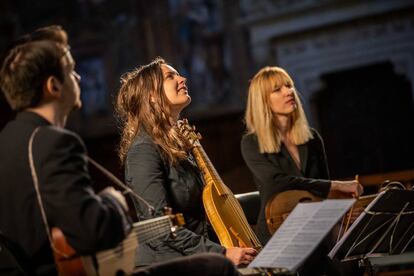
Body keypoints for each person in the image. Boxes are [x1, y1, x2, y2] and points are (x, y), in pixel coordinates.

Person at [0, 26, 238, 276]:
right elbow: (91, 231)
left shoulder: (7, 140)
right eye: (71, 71)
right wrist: (112, 201)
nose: (79, 78)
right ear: (53, 86)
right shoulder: (55, 142)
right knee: (219, 267)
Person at [115, 57, 257, 268]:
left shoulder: (177, 145)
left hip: (199, 258)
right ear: (152, 96)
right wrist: (222, 253)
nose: (183, 79)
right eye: (170, 76)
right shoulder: (143, 150)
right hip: (169, 266)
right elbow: (161, 230)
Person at [240, 66, 364, 274]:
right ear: (263, 101)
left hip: (315, 222)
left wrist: (343, 210)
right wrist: (336, 185)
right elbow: (276, 182)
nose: (288, 92)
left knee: (349, 247)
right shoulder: (251, 142)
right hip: (278, 228)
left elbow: (323, 190)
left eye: (289, 85)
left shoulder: (312, 138)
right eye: (277, 89)